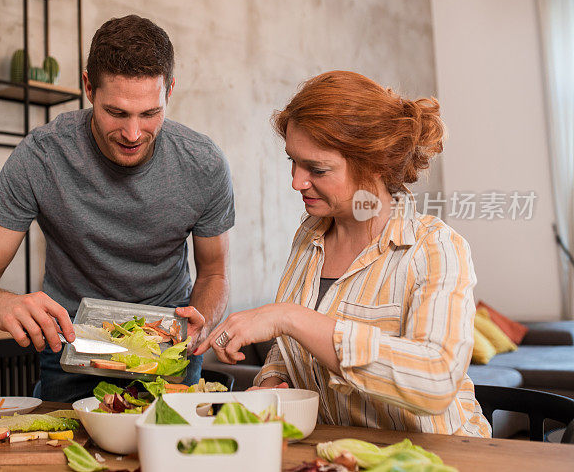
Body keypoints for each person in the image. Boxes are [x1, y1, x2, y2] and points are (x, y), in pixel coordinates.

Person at [0, 15, 234, 402]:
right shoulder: (42, 157)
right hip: (71, 349)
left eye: (150, 113)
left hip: (169, 351)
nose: (134, 134)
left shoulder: (203, 164)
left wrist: (199, 327)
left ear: (170, 89)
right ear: (88, 86)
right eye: (116, 113)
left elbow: (214, 273)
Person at [195, 71, 491, 437]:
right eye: (293, 161)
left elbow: (436, 379)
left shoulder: (433, 247)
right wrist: (275, 380)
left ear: (375, 164)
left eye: (317, 169)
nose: (296, 182)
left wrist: (288, 317)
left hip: (438, 458)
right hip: (342, 453)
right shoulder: (309, 236)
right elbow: (295, 349)